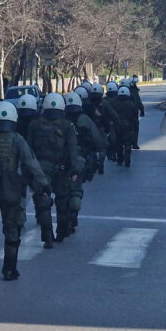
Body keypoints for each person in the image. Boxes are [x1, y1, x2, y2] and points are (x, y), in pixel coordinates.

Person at [0, 101, 50, 281]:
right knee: (12, 228)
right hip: (11, 188)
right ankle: (9, 268)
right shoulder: (17, 139)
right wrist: (43, 184)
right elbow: (31, 163)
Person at [27, 93, 82, 247]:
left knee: (43, 201)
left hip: (40, 169)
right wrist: (75, 170)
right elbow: (72, 150)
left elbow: (29, 150)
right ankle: (61, 233)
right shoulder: (67, 125)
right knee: (62, 200)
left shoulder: (34, 124)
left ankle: (47, 235)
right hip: (61, 169)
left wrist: (29, 171)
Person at [64, 92, 107, 231]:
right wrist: (102, 149)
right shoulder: (84, 119)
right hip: (80, 160)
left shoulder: (60, 120)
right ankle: (73, 213)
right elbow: (97, 138)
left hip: (61, 160)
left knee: (62, 190)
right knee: (75, 188)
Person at [84, 83, 119, 172]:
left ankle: (93, 160)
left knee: (90, 147)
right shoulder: (104, 103)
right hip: (101, 128)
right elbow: (113, 114)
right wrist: (116, 123)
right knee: (103, 147)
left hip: (88, 129)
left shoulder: (87, 103)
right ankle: (100, 161)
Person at [107, 86, 139, 167]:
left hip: (117, 125)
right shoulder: (131, 104)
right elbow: (135, 116)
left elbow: (110, 114)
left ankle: (120, 159)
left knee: (119, 143)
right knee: (127, 141)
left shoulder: (113, 103)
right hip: (128, 125)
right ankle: (127, 153)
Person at [127, 76, 146, 149]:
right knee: (135, 128)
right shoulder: (133, 91)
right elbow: (138, 101)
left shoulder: (122, 91)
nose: (136, 84)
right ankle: (134, 143)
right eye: (135, 83)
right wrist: (142, 110)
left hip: (125, 113)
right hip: (133, 113)